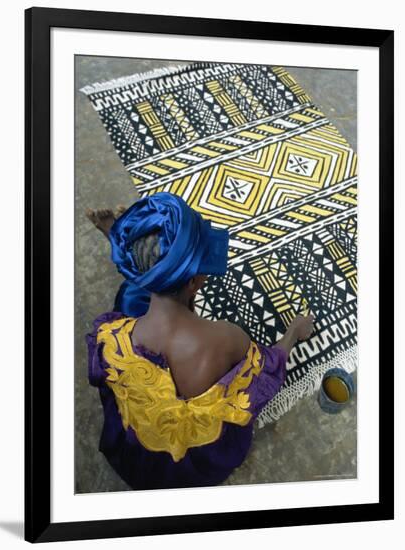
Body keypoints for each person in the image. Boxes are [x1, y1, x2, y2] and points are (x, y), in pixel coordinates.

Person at [85, 192, 314, 490]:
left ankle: (141, 254)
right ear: (194, 282)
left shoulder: (110, 337)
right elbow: (269, 367)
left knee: (128, 302)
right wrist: (294, 331)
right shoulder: (226, 338)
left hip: (137, 453)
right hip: (194, 463)